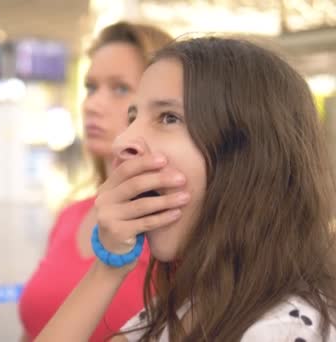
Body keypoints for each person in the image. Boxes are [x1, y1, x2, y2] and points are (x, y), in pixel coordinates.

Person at [36, 37, 336, 341]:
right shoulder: (185, 307)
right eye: (133, 118)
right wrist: (109, 267)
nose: (123, 141)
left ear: (248, 157)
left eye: (168, 117)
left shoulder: (282, 331)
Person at [18, 22, 172, 341]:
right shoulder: (70, 216)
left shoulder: (174, 230)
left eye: (119, 88)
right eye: (91, 87)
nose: (92, 104)